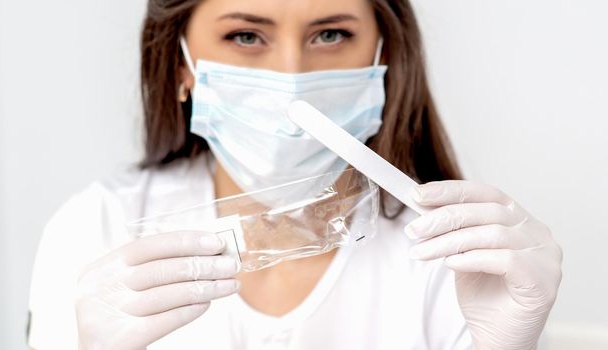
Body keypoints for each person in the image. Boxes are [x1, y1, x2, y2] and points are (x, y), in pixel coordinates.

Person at [27, 0, 563, 349]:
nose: (292, 79)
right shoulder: (96, 228)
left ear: (385, 58)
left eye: (329, 34)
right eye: (246, 36)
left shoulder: (454, 257)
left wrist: (506, 344)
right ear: (181, 66)